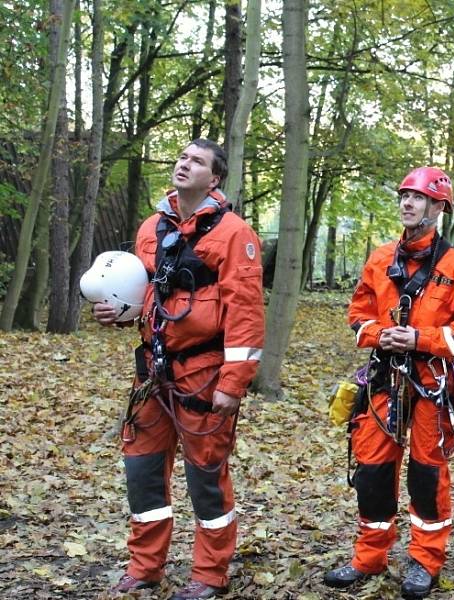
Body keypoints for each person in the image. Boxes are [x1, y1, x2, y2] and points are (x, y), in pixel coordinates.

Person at [92, 139, 265, 600]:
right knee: (143, 471)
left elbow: (246, 314)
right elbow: (146, 296)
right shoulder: (152, 228)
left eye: (197, 162)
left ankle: (209, 574)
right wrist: (118, 313)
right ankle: (145, 566)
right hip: (152, 374)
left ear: (215, 178)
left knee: (205, 478)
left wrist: (233, 383)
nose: (185, 165)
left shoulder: (233, 234)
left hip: (203, 374)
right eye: (183, 158)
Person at [323, 167, 454, 599]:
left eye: (418, 198)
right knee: (373, 469)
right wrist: (381, 335)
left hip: (432, 380)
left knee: (427, 473)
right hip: (384, 377)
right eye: (405, 196)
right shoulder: (380, 259)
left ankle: (425, 561)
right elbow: (358, 315)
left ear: (438, 207)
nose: (408, 203)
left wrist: (422, 339)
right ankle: (368, 557)